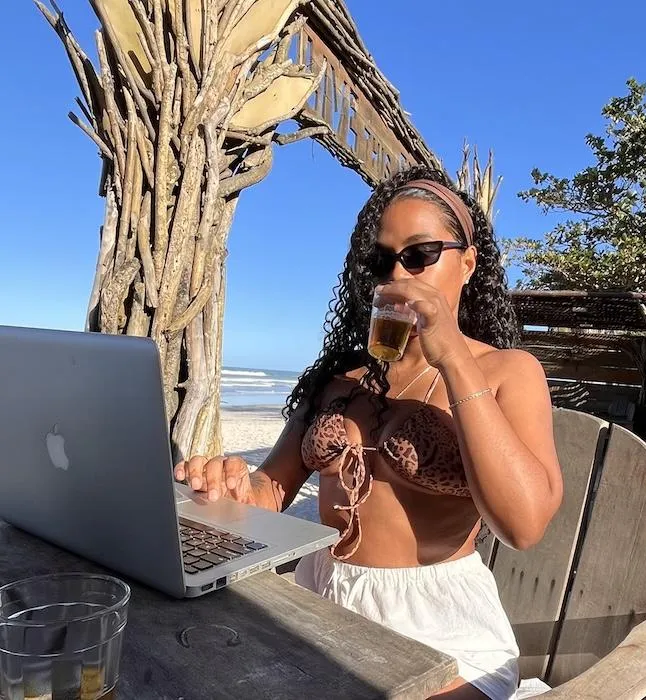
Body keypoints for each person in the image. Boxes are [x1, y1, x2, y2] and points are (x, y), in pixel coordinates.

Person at [175, 166, 563, 699]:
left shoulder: (507, 372)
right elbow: (270, 489)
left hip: (440, 626)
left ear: (468, 263)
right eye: (382, 261)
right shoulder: (340, 381)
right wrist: (230, 485)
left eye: (420, 254)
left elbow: (525, 526)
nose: (397, 274)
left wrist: (452, 357)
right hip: (320, 601)